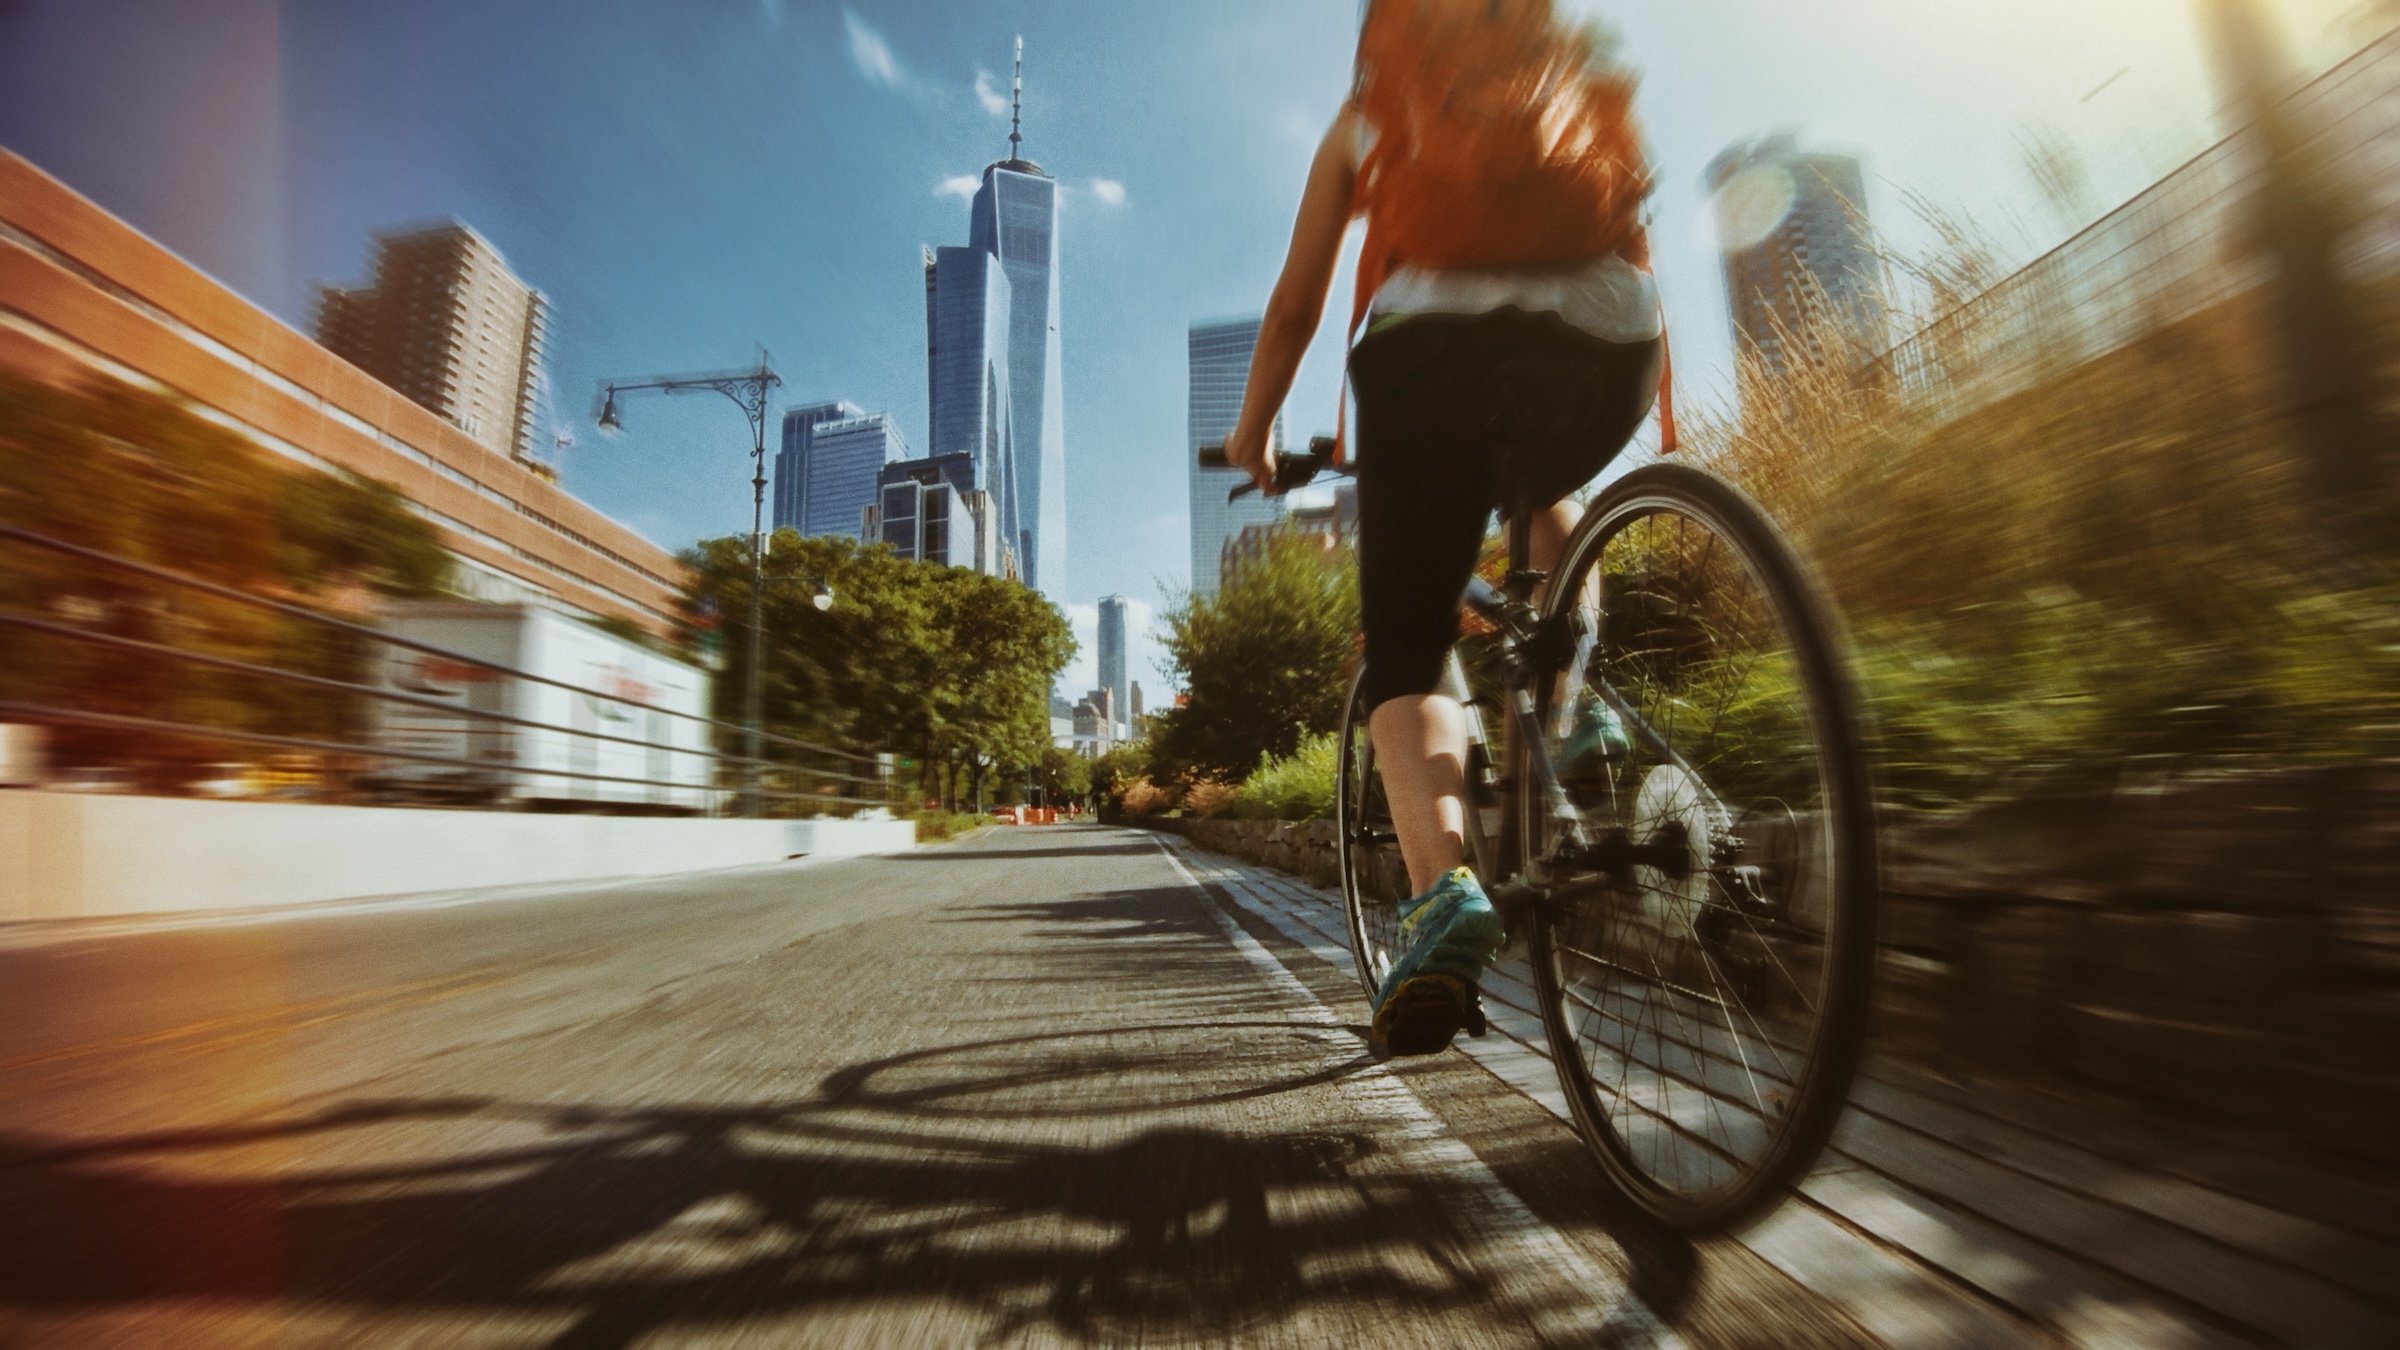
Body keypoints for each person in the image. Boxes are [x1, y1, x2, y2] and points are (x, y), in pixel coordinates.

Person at [1219, 0, 1665, 1057]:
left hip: (1434, 353)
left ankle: (1445, 896)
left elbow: (1296, 308)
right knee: (1542, 482)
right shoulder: (1575, 58)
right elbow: (1630, 216)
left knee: (1409, 650)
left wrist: (1254, 436)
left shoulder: (1373, 103)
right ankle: (1572, 700)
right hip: (1611, 336)